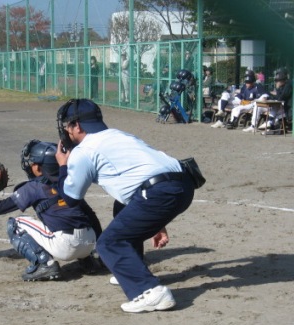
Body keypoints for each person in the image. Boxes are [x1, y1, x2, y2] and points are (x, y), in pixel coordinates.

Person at [55, 99, 195, 313]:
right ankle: (131, 270)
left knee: (109, 243)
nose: (66, 131)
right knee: (121, 207)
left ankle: (150, 292)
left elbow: (71, 198)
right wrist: (157, 222)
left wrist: (63, 166)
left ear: (78, 126)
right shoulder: (119, 135)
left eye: (67, 126)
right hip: (183, 185)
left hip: (159, 192)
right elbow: (142, 174)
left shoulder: (83, 151)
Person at [0, 139, 102, 281]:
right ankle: (88, 261)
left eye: (33, 163)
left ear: (40, 168)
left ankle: (45, 264)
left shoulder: (33, 187)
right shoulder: (68, 183)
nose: (30, 165)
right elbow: (92, 216)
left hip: (65, 246)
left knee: (15, 224)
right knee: (75, 218)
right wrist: (100, 249)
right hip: (90, 243)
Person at [243, 68, 292, 133]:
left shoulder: (288, 86)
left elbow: (280, 98)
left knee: (275, 106)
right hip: (279, 107)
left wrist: (276, 90)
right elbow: (278, 97)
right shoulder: (282, 86)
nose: (277, 82)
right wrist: (269, 96)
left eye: (278, 81)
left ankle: (270, 122)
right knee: (258, 106)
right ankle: (253, 126)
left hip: (286, 109)